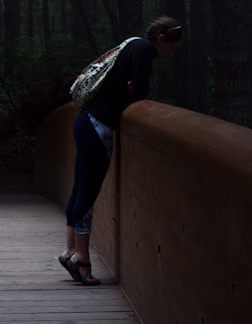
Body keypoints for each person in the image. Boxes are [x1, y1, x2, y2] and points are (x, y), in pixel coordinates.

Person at [59, 16, 184, 285]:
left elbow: (133, 89)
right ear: (161, 39)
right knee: (88, 192)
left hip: (86, 121)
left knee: (80, 188)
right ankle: (81, 259)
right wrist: (132, 91)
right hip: (98, 126)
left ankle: (70, 250)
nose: (171, 55)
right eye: (171, 49)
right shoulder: (141, 49)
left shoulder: (132, 45)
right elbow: (139, 93)